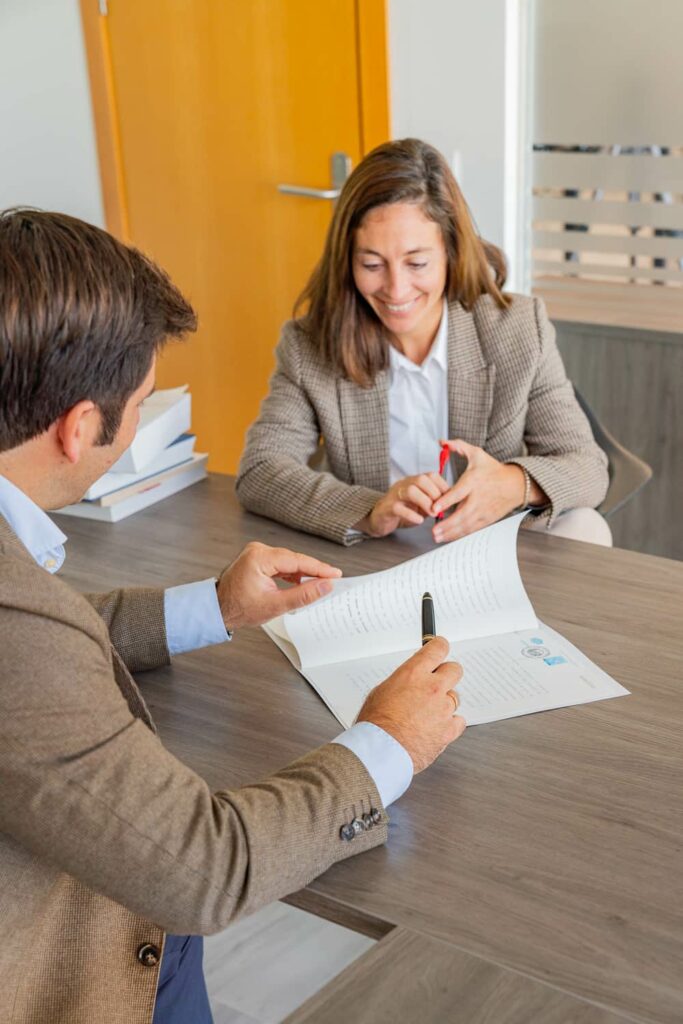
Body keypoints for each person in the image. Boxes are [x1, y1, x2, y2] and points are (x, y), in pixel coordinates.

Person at [0, 209, 466, 1024]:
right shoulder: (16, 633)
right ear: (79, 429)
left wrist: (211, 607)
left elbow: (41, 640)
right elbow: (201, 870)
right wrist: (389, 741)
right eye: (143, 403)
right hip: (73, 951)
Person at [237, 138, 611, 548]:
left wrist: (512, 483)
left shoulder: (517, 329)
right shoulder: (310, 345)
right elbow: (260, 470)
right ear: (347, 261)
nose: (396, 290)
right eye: (372, 264)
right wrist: (369, 509)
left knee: (587, 527)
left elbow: (587, 466)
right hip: (378, 555)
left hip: (487, 551)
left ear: (451, 252)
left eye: (417, 263)